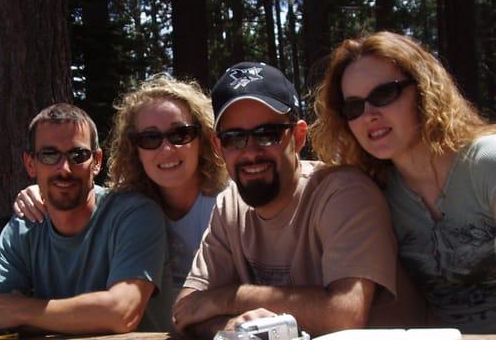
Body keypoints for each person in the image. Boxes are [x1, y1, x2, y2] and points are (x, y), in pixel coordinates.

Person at [172, 62, 422, 338]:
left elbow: (345, 314)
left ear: (299, 136)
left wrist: (230, 298)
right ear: (219, 147)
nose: (251, 152)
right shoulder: (230, 206)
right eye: (234, 138)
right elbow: (185, 310)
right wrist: (229, 329)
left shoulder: (343, 193)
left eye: (268, 134)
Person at [310, 31, 496, 333]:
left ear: (423, 90)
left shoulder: (487, 164)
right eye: (354, 107)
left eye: (384, 94)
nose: (369, 115)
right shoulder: (375, 193)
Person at [13, 75, 228, 300]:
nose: (166, 149)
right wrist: (42, 191)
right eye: (150, 138)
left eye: (180, 134)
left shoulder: (231, 205)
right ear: (134, 149)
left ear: (202, 138)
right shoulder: (128, 208)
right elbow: (84, 195)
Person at [0, 103, 172, 334]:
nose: (64, 168)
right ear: (30, 163)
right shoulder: (23, 226)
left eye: (78, 155)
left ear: (96, 162)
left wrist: (21, 310)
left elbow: (122, 313)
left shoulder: (135, 215)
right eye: (49, 155)